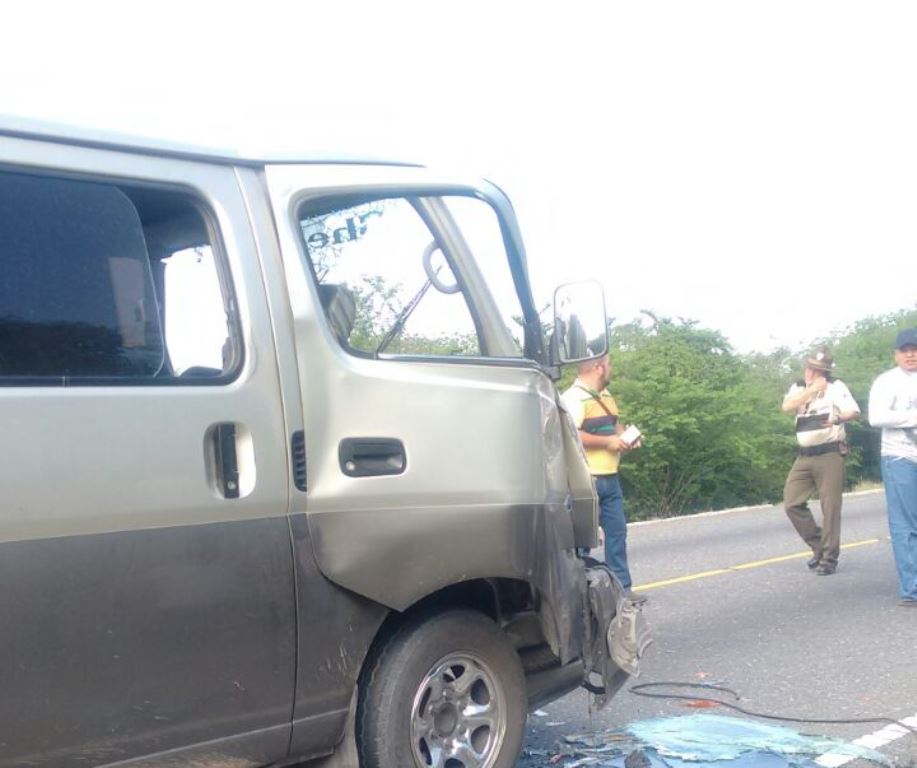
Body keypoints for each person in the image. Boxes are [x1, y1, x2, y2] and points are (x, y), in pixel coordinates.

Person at [562, 354, 646, 602]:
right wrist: (608, 442)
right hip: (586, 479)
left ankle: (622, 590)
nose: (611, 370)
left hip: (611, 476)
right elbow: (572, 434)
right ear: (598, 368)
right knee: (582, 541)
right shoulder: (574, 398)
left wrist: (626, 437)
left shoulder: (606, 395)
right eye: (609, 365)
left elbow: (614, 423)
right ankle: (579, 593)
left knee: (617, 534)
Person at [781, 348, 860, 575]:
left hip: (829, 454)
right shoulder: (798, 387)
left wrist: (836, 418)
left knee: (830, 506)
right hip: (804, 454)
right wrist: (812, 390)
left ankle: (829, 558)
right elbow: (787, 407)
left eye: (817, 371)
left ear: (825, 372)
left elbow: (853, 411)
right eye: (809, 368)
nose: (811, 373)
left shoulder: (836, 387)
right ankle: (818, 545)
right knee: (792, 503)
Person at [868, 327, 917, 607]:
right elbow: (876, 417)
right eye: (905, 350)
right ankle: (912, 588)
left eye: (915, 349)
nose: (911, 354)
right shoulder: (887, 382)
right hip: (900, 457)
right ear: (896, 354)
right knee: (906, 524)